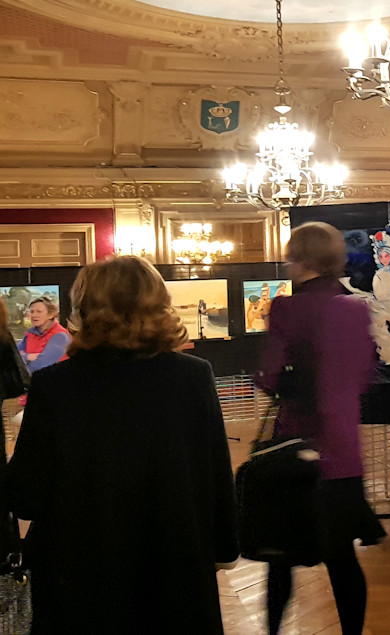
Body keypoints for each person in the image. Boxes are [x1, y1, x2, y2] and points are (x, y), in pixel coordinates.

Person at [1, 255, 238, 631]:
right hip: (172, 563)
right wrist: (225, 547)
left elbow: (27, 496)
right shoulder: (193, 376)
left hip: (79, 572)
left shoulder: (55, 385)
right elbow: (214, 472)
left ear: (84, 307)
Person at [257, 222, 386, 635]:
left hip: (296, 445)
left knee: (280, 558)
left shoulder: (287, 308)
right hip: (343, 449)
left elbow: (267, 376)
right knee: (342, 558)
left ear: (301, 258)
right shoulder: (356, 308)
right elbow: (367, 374)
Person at [17, 295, 70, 371]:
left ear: (51, 315)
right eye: (32, 311)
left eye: (39, 312)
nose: (34, 315)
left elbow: (40, 366)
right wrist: (28, 357)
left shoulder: (60, 337)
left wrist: (23, 357)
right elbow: (12, 356)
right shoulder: (30, 334)